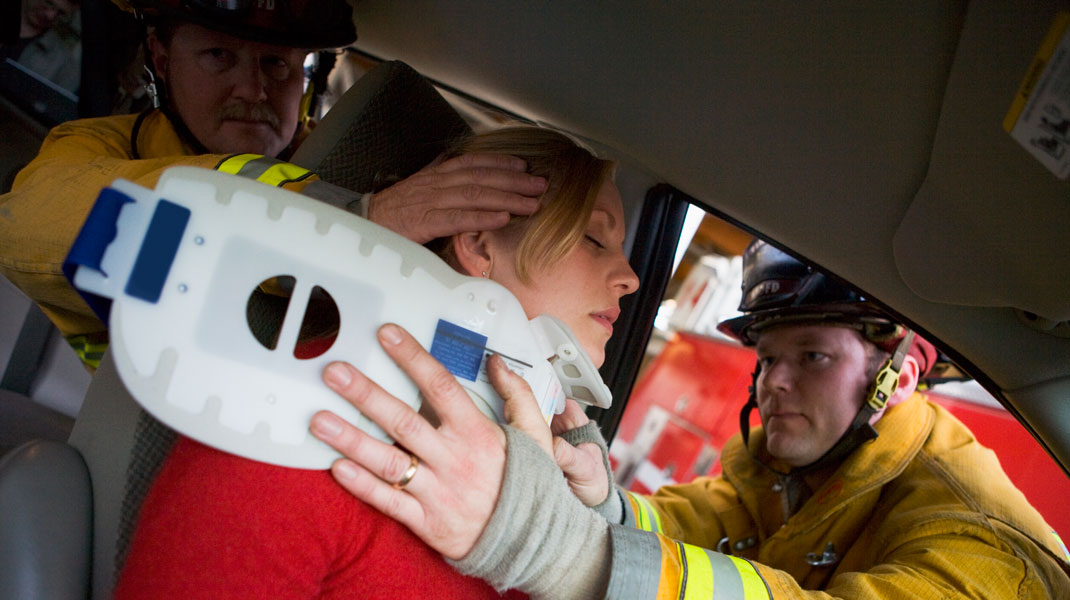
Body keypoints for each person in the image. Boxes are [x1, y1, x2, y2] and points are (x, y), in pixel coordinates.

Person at [310, 240, 1070, 599]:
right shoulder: (791, 473)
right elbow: (700, 525)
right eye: (768, 359)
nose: (774, 383)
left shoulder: (980, 540)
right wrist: (601, 502)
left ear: (899, 376)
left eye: (811, 357)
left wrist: (561, 549)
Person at [113, 126, 640, 599]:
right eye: (594, 239)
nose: (631, 279)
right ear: (480, 246)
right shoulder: (299, 417)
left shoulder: (548, 496)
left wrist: (593, 512)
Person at [0, 0, 544, 369]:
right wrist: (346, 224)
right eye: (219, 56)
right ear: (161, 61)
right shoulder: (96, 149)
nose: (254, 88)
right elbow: (26, 225)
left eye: (278, 65)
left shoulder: (368, 177)